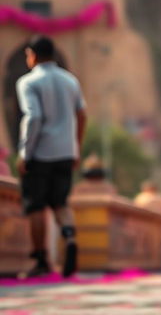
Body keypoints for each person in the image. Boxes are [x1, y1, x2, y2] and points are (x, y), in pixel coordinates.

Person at [15, 35, 87, 279]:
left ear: (32, 55)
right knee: (60, 202)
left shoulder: (28, 82)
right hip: (66, 151)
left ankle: (41, 260)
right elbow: (82, 115)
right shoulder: (70, 81)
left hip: (40, 152)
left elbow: (33, 117)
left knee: (36, 205)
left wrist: (25, 152)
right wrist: (75, 147)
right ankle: (69, 236)